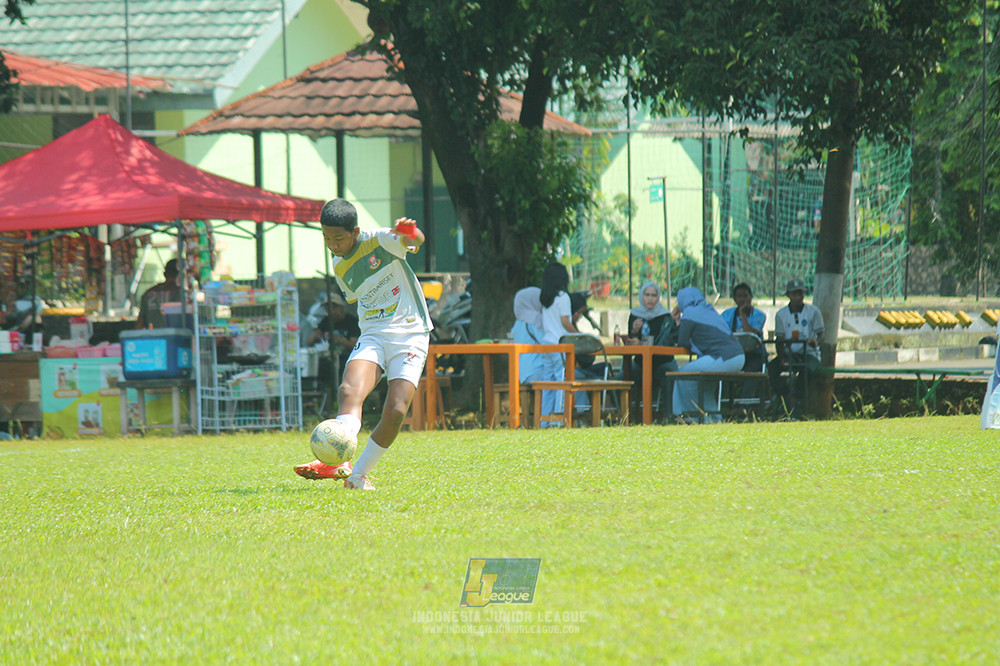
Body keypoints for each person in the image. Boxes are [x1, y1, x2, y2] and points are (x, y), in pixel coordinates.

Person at [294, 199, 432, 490]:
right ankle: (337, 460)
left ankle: (358, 474)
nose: (333, 245)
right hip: (373, 333)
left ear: (355, 231)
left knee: (395, 410)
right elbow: (359, 299)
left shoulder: (380, 241)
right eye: (326, 238)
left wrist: (411, 231)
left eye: (339, 238)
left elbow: (416, 240)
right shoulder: (339, 265)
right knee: (348, 391)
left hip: (410, 332)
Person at [672, 286, 745, 423]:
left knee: (682, 374)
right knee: (705, 387)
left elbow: (682, 341)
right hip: (738, 357)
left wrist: (675, 320)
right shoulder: (709, 310)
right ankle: (714, 420)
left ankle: (685, 417)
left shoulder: (689, 313)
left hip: (723, 358)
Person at [766, 277, 825, 417]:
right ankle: (783, 394)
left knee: (808, 368)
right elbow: (779, 339)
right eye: (794, 294)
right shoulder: (781, 314)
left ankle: (795, 400)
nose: (798, 297)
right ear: (788, 295)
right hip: (790, 352)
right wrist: (781, 357)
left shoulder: (813, 311)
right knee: (771, 369)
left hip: (809, 352)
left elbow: (821, 335)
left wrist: (815, 341)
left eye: (801, 294)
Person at [623, 281, 679, 414]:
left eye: (654, 295)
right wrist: (635, 331)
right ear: (641, 296)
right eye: (647, 295)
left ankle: (669, 417)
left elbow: (665, 341)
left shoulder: (665, 315)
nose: (650, 299)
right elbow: (630, 341)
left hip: (663, 361)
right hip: (641, 362)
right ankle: (624, 416)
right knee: (622, 378)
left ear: (658, 297)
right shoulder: (635, 314)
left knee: (670, 378)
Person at [538, 262, 578, 423]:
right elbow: (565, 322)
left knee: (548, 383)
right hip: (559, 344)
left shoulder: (545, 299)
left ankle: (544, 420)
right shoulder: (563, 297)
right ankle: (558, 419)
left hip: (546, 343)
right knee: (562, 381)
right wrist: (579, 334)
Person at [306, 289, 361, 378]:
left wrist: (336, 338)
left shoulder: (352, 322)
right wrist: (316, 336)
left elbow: (354, 345)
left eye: (334, 307)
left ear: (341, 307)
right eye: (327, 308)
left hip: (347, 359)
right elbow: (308, 342)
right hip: (328, 360)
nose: (331, 310)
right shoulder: (325, 322)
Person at [720, 282, 768, 372]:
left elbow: (750, 333)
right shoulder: (727, 315)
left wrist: (742, 314)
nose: (742, 299)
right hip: (734, 354)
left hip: (755, 354)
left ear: (751, 297)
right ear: (734, 299)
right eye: (739, 296)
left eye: (745, 296)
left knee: (750, 373)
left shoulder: (759, 315)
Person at [510, 286, 546, 383]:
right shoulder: (536, 320)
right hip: (537, 370)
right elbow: (547, 343)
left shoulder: (517, 323)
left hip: (521, 374)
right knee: (574, 379)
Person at [136, 259, 181, 329]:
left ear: (165, 274)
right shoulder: (179, 293)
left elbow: (140, 322)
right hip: (174, 336)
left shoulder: (148, 293)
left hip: (153, 337)